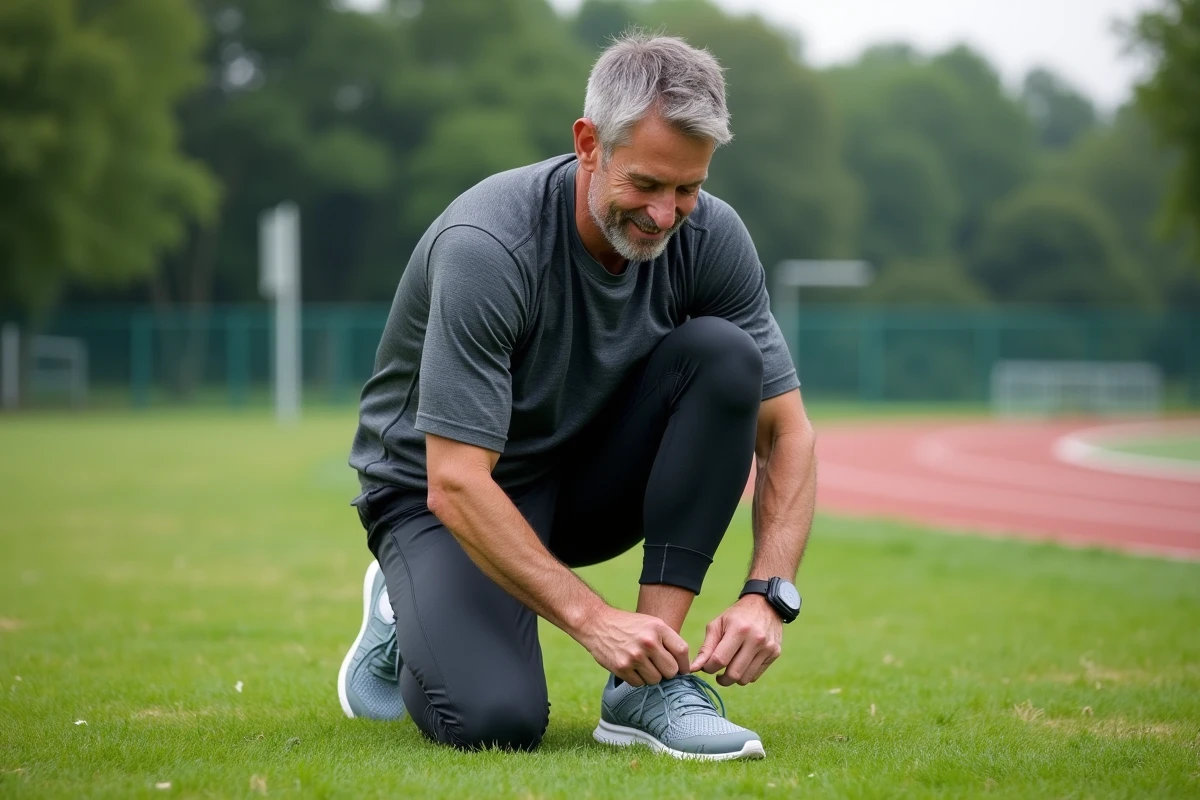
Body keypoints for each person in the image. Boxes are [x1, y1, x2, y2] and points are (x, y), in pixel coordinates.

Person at [338, 31, 816, 761]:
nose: (666, 215)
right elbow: (456, 480)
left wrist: (768, 592)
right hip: (445, 494)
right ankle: (405, 604)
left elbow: (785, 433)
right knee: (496, 720)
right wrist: (595, 620)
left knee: (725, 356)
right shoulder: (487, 246)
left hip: (582, 474)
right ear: (589, 143)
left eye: (688, 187)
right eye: (647, 185)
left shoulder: (712, 236)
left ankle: (648, 687)